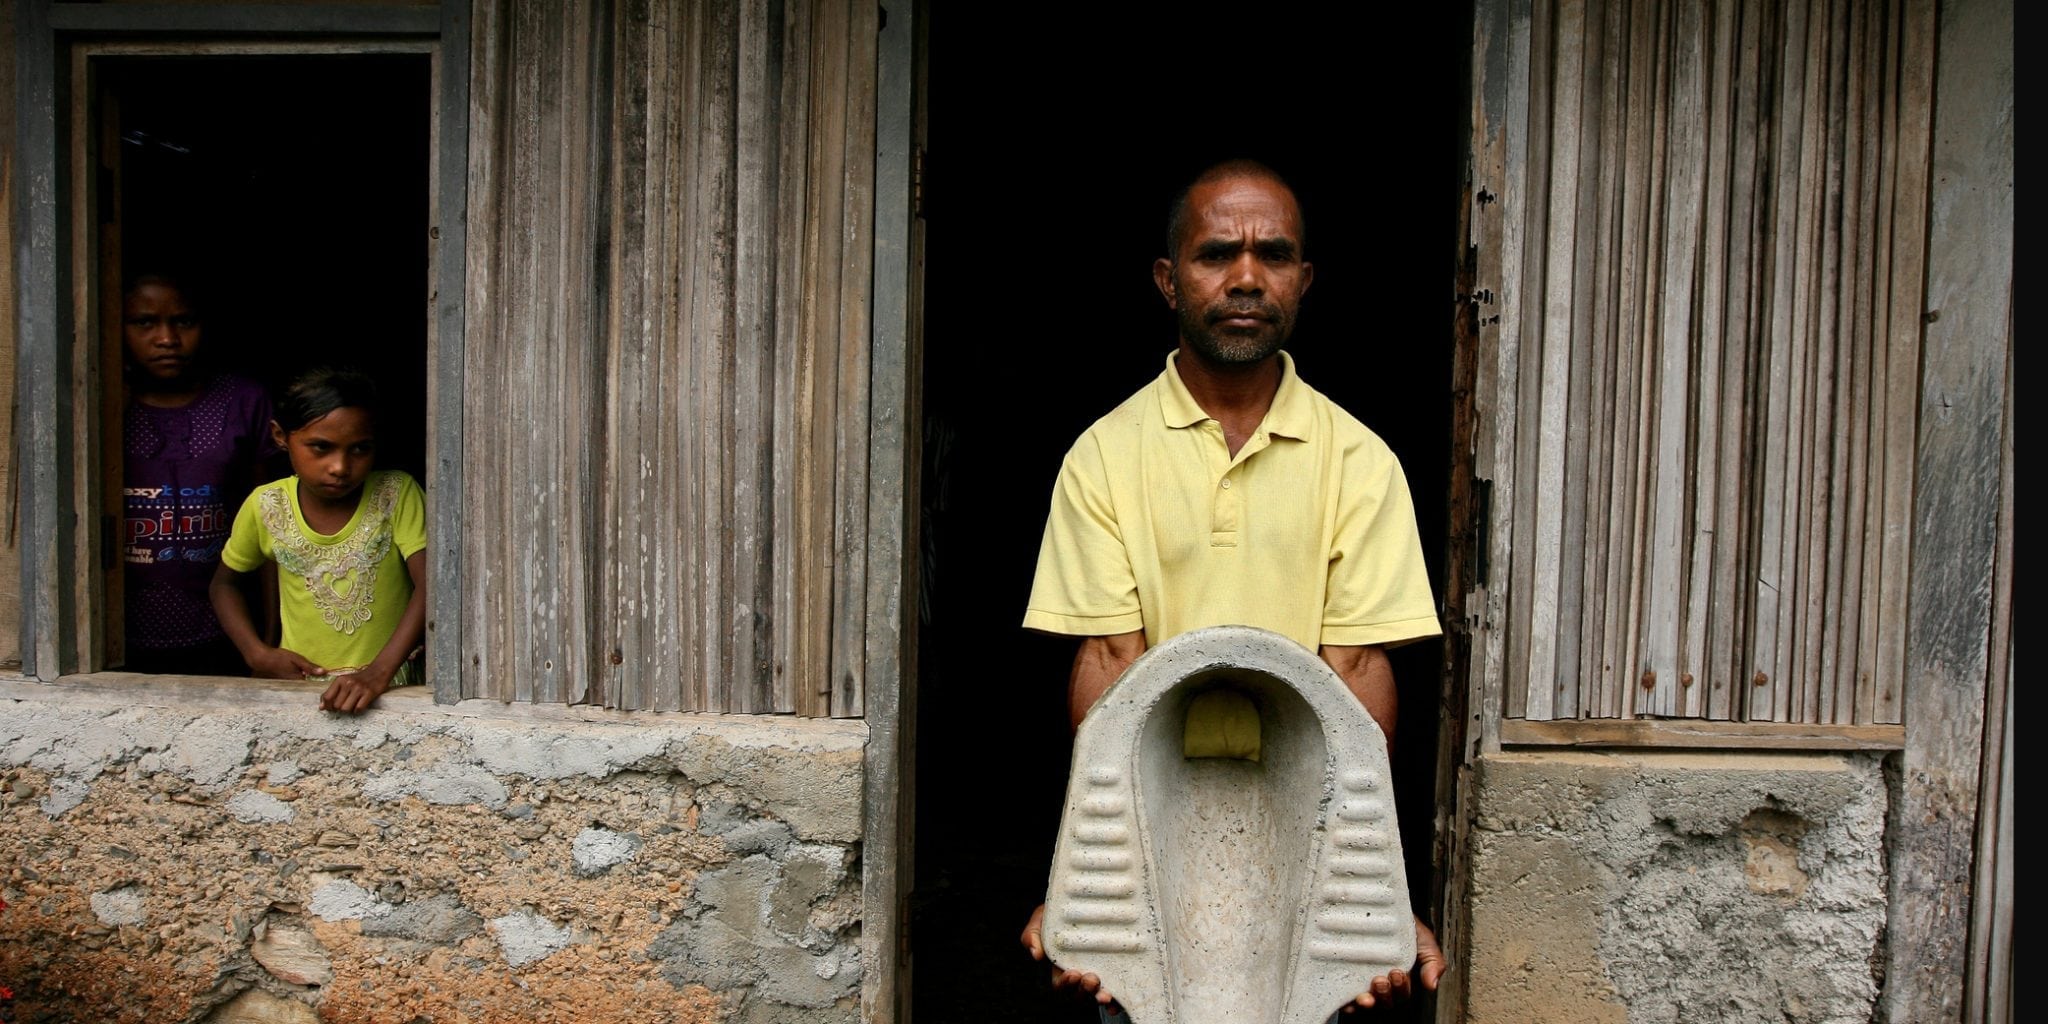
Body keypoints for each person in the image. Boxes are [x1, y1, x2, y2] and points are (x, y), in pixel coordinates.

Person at [1018, 160, 1448, 1017]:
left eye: (1274, 255)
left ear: (1304, 279)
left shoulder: (1359, 463)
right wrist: (1086, 894)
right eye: (1219, 253)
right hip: (1154, 818)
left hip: (1304, 822)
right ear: (1169, 279)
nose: (1247, 277)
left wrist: (1366, 901)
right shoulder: (1104, 457)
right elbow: (1110, 671)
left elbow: (1356, 677)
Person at [209, 367, 427, 713]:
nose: (340, 466)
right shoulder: (266, 506)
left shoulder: (395, 494)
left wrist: (377, 673)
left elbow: (431, 586)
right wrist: (258, 653)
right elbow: (224, 585)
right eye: (321, 448)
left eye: (359, 449)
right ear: (280, 436)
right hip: (299, 694)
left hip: (393, 689)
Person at [120, 273, 282, 675]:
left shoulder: (243, 401)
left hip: (227, 635)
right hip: (120, 640)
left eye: (183, 321)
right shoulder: (99, 401)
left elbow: (272, 525)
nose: (167, 339)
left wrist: (270, 637)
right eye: (144, 323)